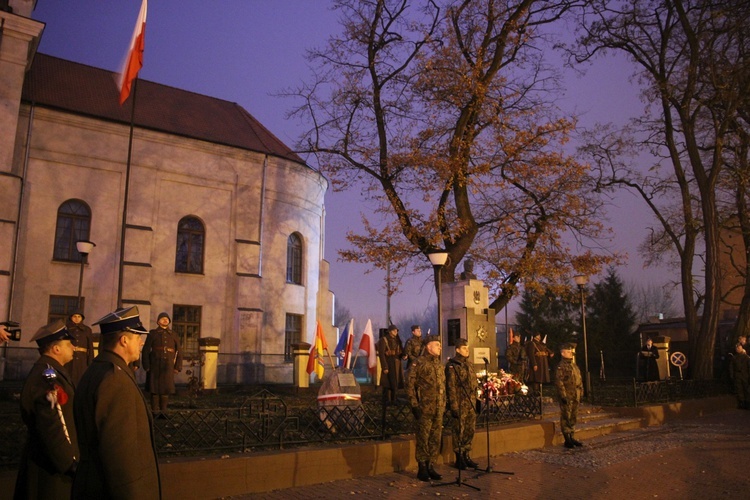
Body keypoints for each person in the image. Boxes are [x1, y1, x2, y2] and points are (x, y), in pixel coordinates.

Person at [73, 306, 161, 499]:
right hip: (110, 489)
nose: (141, 343)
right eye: (138, 337)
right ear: (124, 340)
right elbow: (120, 454)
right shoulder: (114, 379)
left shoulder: (98, 370)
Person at [14, 320, 79, 500]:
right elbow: (52, 424)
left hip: (51, 464)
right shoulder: (47, 377)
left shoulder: (53, 372)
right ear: (56, 349)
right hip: (51, 470)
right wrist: (70, 464)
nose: (73, 348)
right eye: (68, 344)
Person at [406, 335, 445, 482]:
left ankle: (431, 465)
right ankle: (422, 467)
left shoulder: (439, 365)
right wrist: (414, 405)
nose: (440, 347)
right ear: (429, 347)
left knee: (435, 438)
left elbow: (443, 387)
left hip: (438, 408)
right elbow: (410, 385)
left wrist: (444, 404)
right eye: (437, 345)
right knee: (423, 437)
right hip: (424, 408)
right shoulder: (418, 363)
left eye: (440, 345)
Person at [445, 338, 479, 470]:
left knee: (470, 430)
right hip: (459, 403)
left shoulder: (469, 364)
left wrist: (476, 400)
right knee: (459, 430)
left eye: (468, 348)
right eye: (464, 348)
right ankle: (459, 457)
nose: (467, 350)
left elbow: (473, 384)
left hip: (470, 403)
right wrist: (453, 406)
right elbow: (451, 387)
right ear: (458, 350)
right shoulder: (452, 365)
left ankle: (466, 455)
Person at [142, 312, 183, 415]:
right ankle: (154, 412)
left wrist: (177, 367)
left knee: (165, 389)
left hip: (168, 365)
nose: (165, 320)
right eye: (162, 318)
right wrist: (146, 366)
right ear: (158, 321)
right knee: (154, 390)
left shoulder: (174, 334)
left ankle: (163, 412)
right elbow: (146, 350)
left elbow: (179, 352)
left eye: (167, 318)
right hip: (154, 365)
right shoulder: (153, 333)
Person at [555, 342, 583, 449]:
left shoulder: (574, 365)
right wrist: (563, 396)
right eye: (568, 351)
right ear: (563, 353)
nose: (571, 353)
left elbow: (579, 379)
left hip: (576, 394)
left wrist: (581, 392)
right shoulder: (561, 367)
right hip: (567, 395)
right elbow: (559, 382)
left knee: (573, 416)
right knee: (566, 416)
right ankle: (567, 438)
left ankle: (572, 436)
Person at [64, 310, 95, 385]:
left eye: (79, 317)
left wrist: (90, 362)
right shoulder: (66, 329)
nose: (77, 318)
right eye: (74, 316)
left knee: (81, 380)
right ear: (71, 318)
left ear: (82, 318)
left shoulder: (87, 330)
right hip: (69, 359)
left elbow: (90, 347)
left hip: (82, 360)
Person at [377, 324, 404, 404]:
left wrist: (403, 355)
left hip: (396, 363)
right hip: (389, 362)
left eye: (396, 330)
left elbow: (400, 351)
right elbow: (381, 354)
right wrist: (385, 366)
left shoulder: (397, 340)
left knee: (395, 381)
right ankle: (387, 399)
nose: (396, 332)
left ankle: (394, 398)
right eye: (394, 330)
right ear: (390, 331)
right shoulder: (384, 340)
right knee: (388, 382)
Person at [730, 343, 750, 409]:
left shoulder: (746, 357)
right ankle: (742, 402)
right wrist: (732, 375)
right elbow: (731, 367)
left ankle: (747, 402)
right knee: (739, 389)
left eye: (739, 348)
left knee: (746, 389)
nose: (737, 349)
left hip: (745, 375)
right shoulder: (734, 357)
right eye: (736, 348)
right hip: (738, 375)